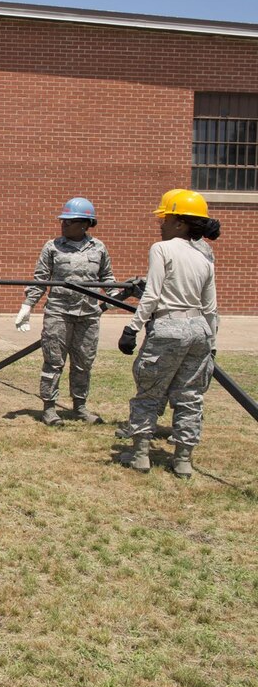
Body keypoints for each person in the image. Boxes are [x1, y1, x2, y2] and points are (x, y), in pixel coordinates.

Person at [117, 190, 219, 479]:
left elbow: (151, 295)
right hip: (199, 330)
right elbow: (211, 307)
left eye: (165, 218)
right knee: (189, 396)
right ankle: (183, 459)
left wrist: (132, 328)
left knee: (149, 392)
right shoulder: (204, 258)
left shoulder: (161, 249)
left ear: (180, 223)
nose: (160, 224)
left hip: (168, 328)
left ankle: (140, 455)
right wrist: (212, 344)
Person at [15, 197, 115, 426]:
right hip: (59, 312)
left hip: (88, 315)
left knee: (83, 363)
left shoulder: (98, 248)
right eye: (63, 221)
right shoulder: (52, 247)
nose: (64, 225)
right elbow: (40, 279)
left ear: (85, 224)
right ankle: (49, 408)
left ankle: (80, 406)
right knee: (53, 361)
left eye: (69, 222)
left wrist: (114, 298)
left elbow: (107, 279)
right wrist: (27, 306)